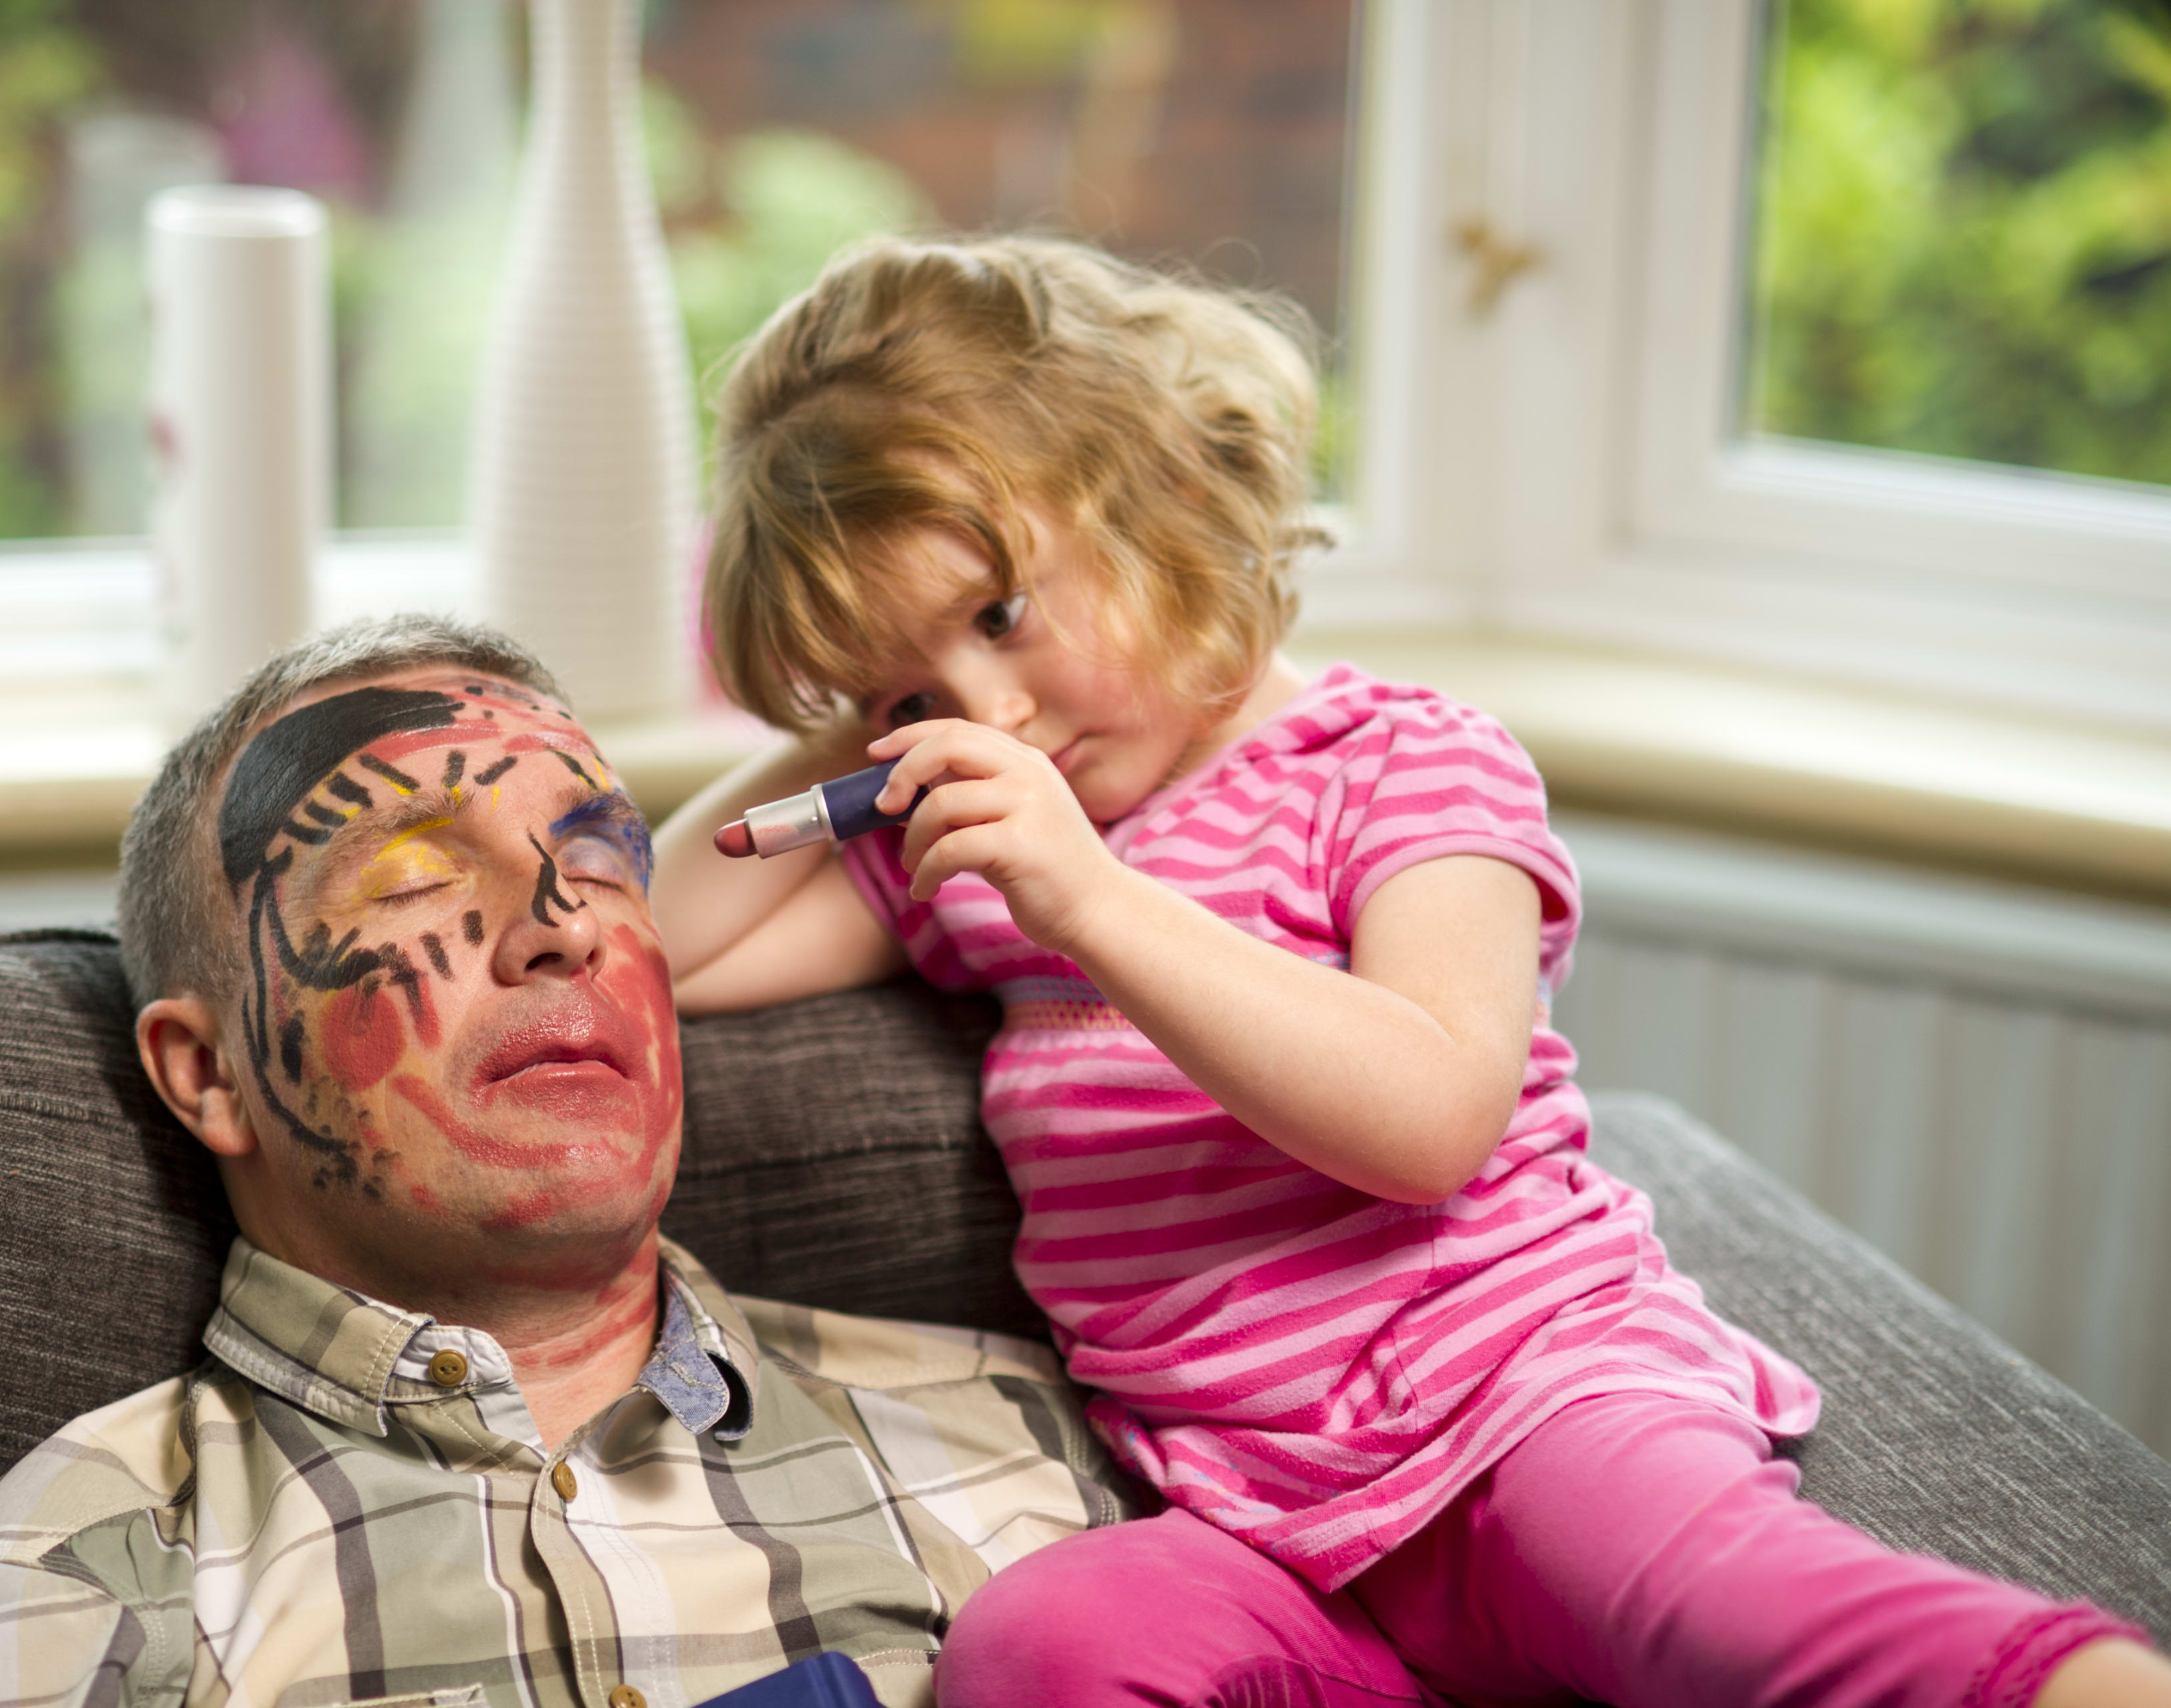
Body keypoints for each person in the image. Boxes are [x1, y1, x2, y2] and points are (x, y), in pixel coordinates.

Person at [653, 235, 2171, 1708]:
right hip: (1252, 1517)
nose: (996, 713)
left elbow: (1431, 1118)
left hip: (1526, 1409)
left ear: (1164, 492)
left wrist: (1098, 903)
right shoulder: (987, 853)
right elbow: (667, 943)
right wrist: (861, 725)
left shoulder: (1397, 764)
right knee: (1043, 1650)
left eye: (1002, 614)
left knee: (1712, 1603)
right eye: (920, 687)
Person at [0, 616, 1133, 1708]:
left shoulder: (1051, 1452)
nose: (560, 929)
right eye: (406, 874)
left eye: (594, 860)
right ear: (207, 1072)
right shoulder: (48, 1593)